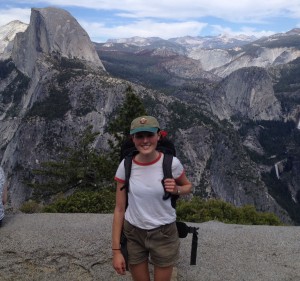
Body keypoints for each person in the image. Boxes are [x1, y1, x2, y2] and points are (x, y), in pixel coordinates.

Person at [112, 116, 192, 281]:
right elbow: (119, 208)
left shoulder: (172, 163)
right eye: (139, 136)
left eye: (149, 135)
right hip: (134, 233)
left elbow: (187, 186)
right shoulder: (125, 166)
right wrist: (116, 251)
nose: (145, 140)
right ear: (133, 139)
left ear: (158, 136)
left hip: (164, 233)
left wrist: (176, 189)